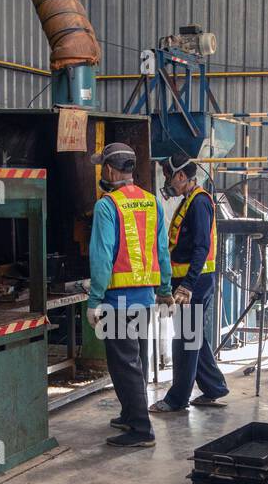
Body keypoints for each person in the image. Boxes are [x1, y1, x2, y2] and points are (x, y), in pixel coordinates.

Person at [86, 142, 172, 447]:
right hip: (145, 299)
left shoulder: (107, 205)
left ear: (110, 169)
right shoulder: (152, 202)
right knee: (136, 360)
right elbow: (162, 251)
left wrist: (94, 300)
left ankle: (141, 429)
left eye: (101, 167)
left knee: (124, 364)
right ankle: (129, 413)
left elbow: (102, 256)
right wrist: (165, 291)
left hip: (117, 301)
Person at [148, 153, 230, 413]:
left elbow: (202, 248)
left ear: (182, 176)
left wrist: (187, 285)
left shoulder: (199, 203)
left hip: (194, 283)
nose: (167, 181)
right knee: (194, 337)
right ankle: (214, 387)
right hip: (189, 281)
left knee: (184, 340)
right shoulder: (189, 201)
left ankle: (177, 399)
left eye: (169, 176)